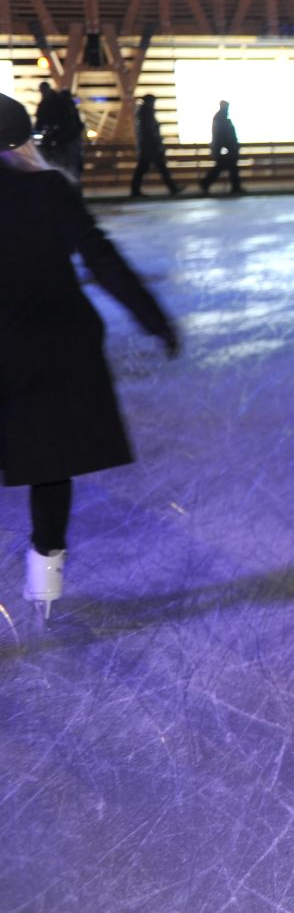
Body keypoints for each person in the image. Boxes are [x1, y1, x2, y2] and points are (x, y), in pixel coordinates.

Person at [0, 94, 178, 619]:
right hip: (52, 345)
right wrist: (152, 315)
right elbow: (100, 256)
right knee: (48, 464)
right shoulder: (49, 188)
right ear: (23, 138)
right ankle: (45, 580)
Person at [129, 92, 183, 197]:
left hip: (147, 146)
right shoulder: (147, 113)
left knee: (146, 169)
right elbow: (150, 131)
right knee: (159, 168)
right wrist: (157, 144)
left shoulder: (142, 113)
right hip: (151, 147)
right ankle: (172, 188)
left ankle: (135, 190)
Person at [33, 80, 86, 180]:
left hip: (64, 138)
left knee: (66, 163)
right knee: (70, 163)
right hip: (66, 137)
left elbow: (40, 123)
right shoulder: (60, 101)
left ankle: (68, 183)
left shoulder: (51, 103)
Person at [200, 99, 242, 194]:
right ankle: (205, 183)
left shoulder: (220, 118)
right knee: (225, 168)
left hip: (226, 148)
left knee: (227, 168)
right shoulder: (220, 118)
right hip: (226, 149)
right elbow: (221, 136)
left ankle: (206, 183)